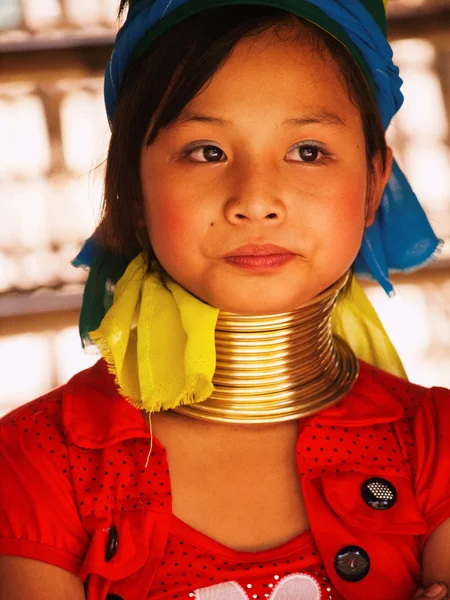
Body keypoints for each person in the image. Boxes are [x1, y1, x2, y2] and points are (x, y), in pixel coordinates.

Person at [0, 0, 449, 598]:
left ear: (374, 186)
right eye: (206, 151)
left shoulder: (433, 446)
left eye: (308, 151)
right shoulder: (39, 462)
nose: (256, 199)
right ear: (132, 192)